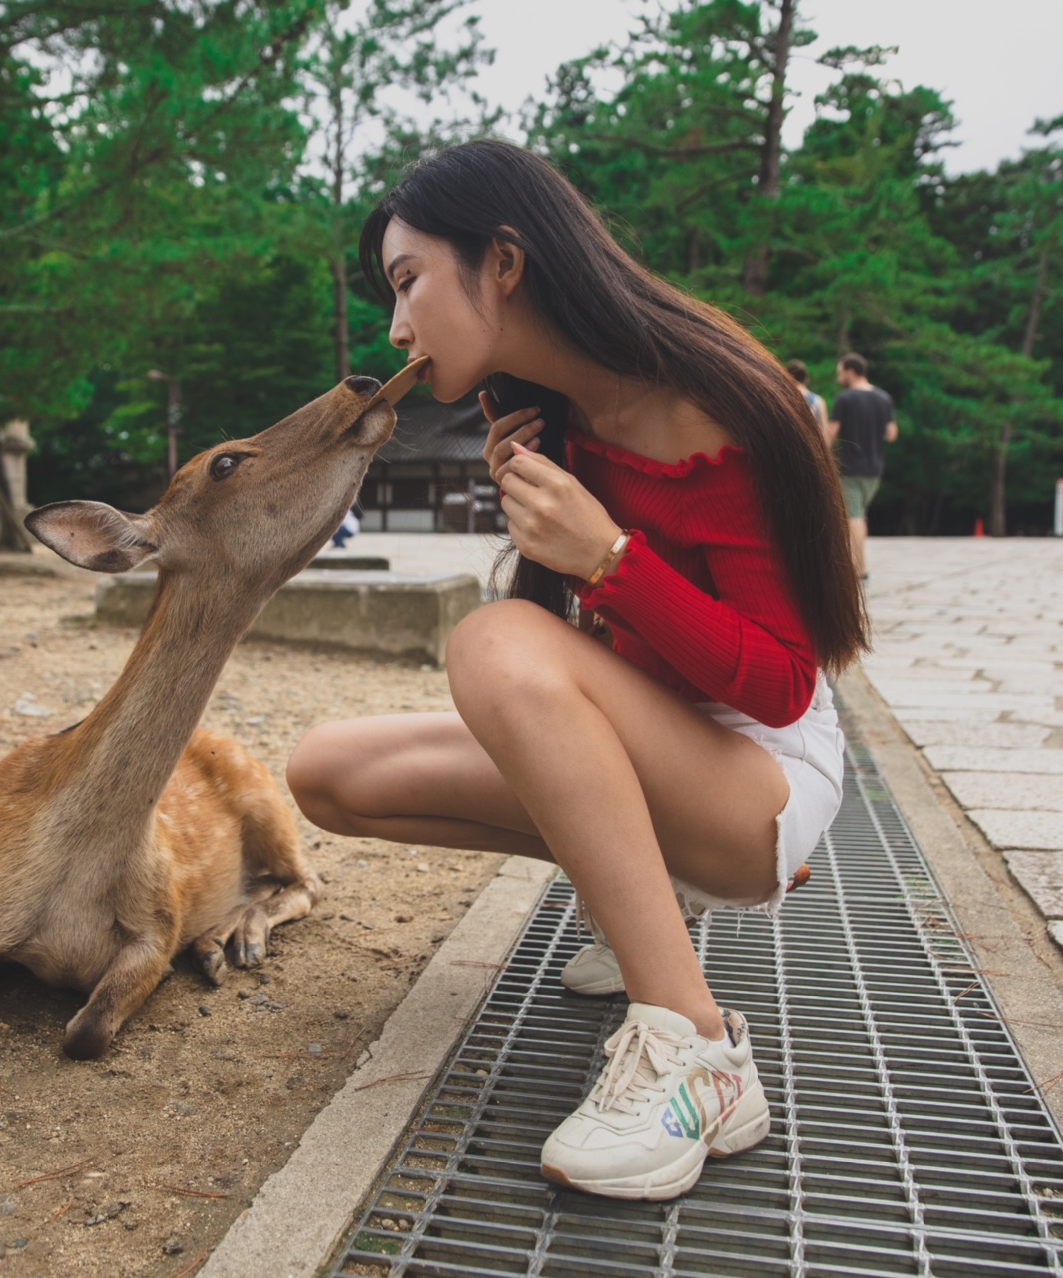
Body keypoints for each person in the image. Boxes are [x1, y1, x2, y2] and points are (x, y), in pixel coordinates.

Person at [286, 140, 866, 1203]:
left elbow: (784, 682)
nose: (395, 326)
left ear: (502, 263)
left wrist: (608, 559)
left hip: (762, 778)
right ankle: (648, 896)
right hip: (663, 753)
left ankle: (697, 1054)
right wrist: (570, 557)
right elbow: (587, 663)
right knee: (324, 772)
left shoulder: (719, 407)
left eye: (407, 281)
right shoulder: (558, 423)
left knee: (491, 646)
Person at [831, 353, 896, 579]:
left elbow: (831, 433)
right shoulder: (884, 398)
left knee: (853, 516)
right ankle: (858, 567)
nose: (838, 376)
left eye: (840, 372)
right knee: (859, 514)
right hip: (875, 468)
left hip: (850, 467)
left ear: (850, 371)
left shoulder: (845, 399)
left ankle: (860, 569)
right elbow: (891, 434)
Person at [784, 360, 829, 443]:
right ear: (806, 378)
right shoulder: (819, 401)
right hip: (812, 450)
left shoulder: (783, 399)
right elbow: (824, 436)